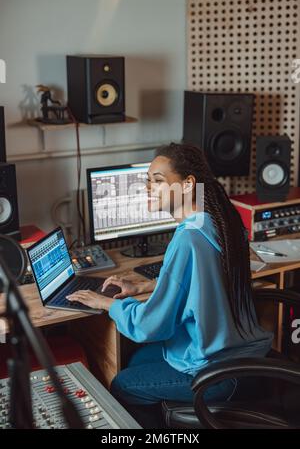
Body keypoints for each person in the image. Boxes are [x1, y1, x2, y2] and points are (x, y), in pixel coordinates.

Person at [67, 143, 273, 428]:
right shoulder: (216, 220)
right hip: (244, 354)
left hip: (219, 373)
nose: (148, 188)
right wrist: (145, 287)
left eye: (158, 181)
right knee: (138, 359)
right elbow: (202, 280)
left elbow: (150, 327)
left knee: (123, 384)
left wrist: (108, 304)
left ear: (188, 184)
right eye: (148, 180)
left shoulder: (188, 240)